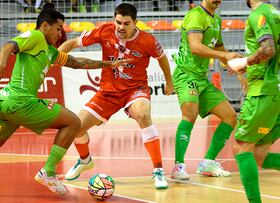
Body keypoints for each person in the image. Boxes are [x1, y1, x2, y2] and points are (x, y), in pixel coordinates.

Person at [0, 9, 130, 196]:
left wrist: (108, 64)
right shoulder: (36, 37)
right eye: (58, 28)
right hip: (21, 101)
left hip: (5, 102)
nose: (60, 33)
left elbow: (76, 62)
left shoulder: (50, 51)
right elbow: (9, 45)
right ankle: (48, 171)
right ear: (45, 26)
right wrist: (2, 63)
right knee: (73, 122)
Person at [58, 3, 174, 189]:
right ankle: (85, 160)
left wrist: (169, 82)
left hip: (135, 89)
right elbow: (72, 43)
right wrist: (54, 57)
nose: (121, 27)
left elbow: (162, 58)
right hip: (108, 92)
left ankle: (158, 171)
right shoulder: (104, 31)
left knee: (143, 115)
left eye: (126, 23)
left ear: (135, 23)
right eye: (118, 22)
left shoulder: (147, 40)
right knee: (76, 126)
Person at [170, 0, 243, 181]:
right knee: (190, 115)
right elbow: (195, 47)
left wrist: (236, 68)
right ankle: (178, 166)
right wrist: (224, 56)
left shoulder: (216, 19)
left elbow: (219, 47)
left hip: (202, 78)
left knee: (230, 117)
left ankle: (208, 163)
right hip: (186, 75)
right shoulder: (196, 15)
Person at [227, 0, 279, 202]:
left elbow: (268, 50)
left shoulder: (259, 15)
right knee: (259, 154)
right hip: (274, 88)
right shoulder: (277, 14)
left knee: (242, 148)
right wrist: (250, 65)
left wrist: (244, 61)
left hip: (263, 91)